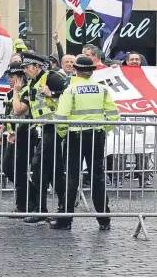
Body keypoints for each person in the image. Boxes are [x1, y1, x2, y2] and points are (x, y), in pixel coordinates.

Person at [51, 56, 120, 230]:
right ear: (91, 72)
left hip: (75, 137)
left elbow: (61, 117)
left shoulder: (71, 90)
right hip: (96, 136)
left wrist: (62, 134)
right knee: (97, 177)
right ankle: (104, 219)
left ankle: (66, 220)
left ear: (76, 70)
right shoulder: (102, 89)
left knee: (72, 178)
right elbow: (113, 115)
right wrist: (104, 130)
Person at [18, 52, 67, 224]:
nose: (25, 70)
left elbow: (68, 95)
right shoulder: (33, 82)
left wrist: (51, 93)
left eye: (27, 67)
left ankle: (42, 209)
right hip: (43, 129)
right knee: (54, 171)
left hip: (54, 128)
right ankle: (64, 207)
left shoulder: (52, 78)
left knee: (39, 167)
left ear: (37, 67)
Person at [0, 62, 38, 215]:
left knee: (17, 171)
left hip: (26, 135)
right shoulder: (10, 93)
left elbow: (18, 111)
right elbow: (8, 114)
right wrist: (1, 130)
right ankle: (26, 202)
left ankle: (26, 202)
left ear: (20, 78)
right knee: (10, 169)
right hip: (13, 136)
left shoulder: (27, 91)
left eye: (12, 77)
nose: (9, 80)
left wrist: (16, 91)